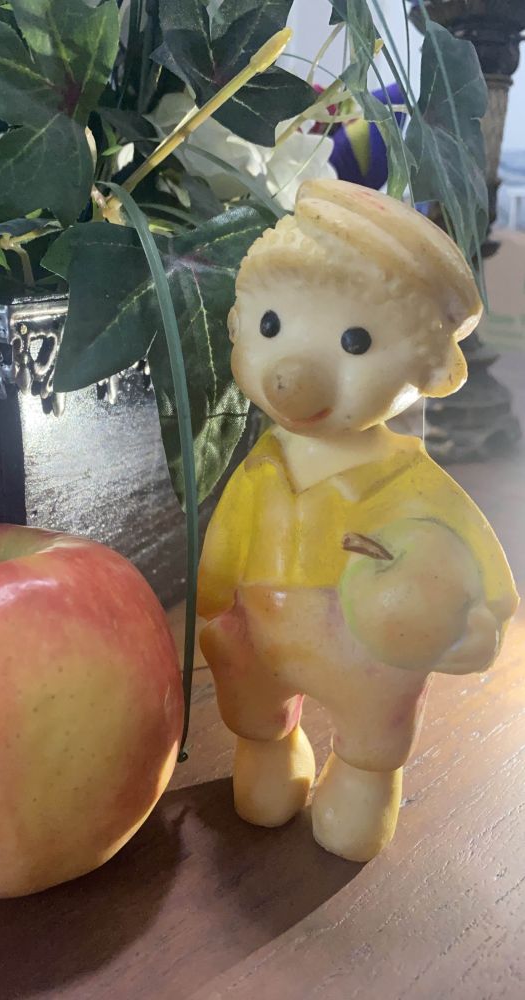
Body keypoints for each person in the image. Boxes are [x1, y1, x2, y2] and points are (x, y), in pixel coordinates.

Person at [198, 178, 519, 861]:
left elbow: (471, 545)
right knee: (255, 707)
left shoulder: (409, 479)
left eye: (354, 341)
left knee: (375, 728)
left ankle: (365, 781)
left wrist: (483, 613)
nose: (292, 374)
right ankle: (272, 749)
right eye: (271, 326)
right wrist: (213, 594)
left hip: (372, 643)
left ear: (430, 371)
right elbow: (226, 541)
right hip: (261, 633)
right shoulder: (262, 466)